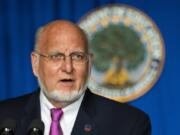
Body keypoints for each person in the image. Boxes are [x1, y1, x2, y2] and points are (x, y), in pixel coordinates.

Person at [0, 20, 151, 135]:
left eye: (78, 56)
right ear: (35, 63)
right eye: (56, 56)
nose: (68, 67)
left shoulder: (129, 124)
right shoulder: (4, 116)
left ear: (89, 64)